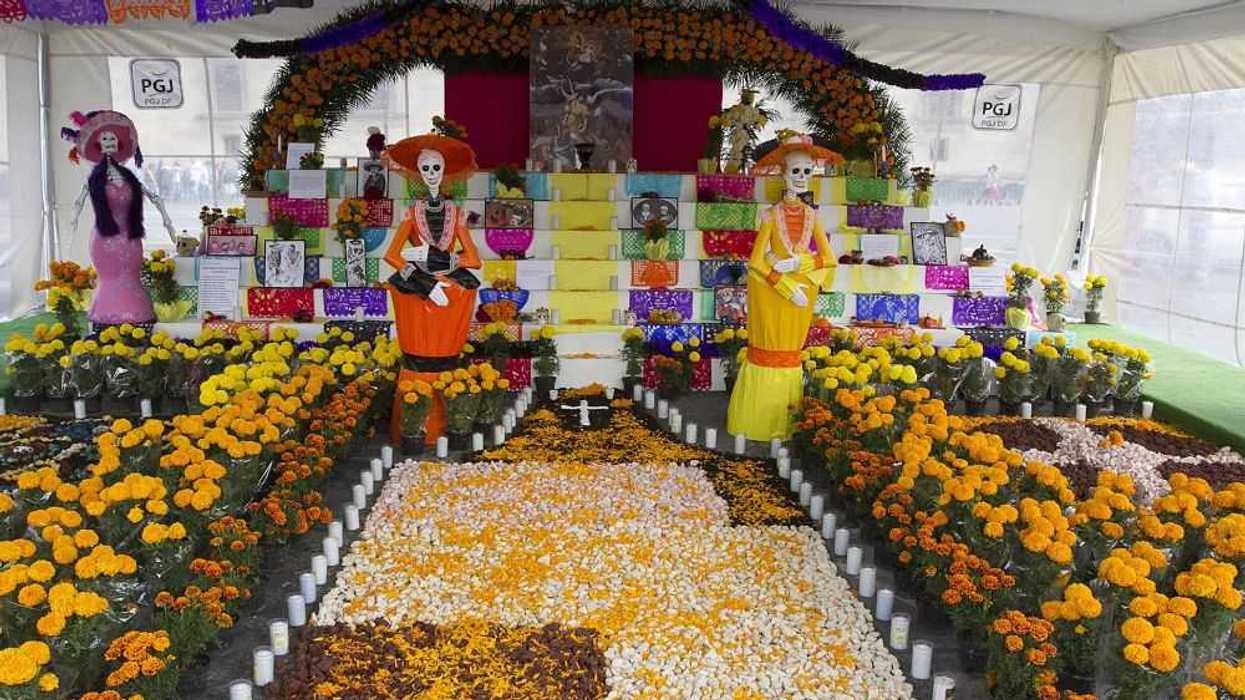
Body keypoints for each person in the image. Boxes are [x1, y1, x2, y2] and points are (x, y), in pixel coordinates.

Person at [727, 134, 841, 441]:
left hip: (802, 293)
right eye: (796, 171)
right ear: (783, 173)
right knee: (768, 347)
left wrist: (800, 264)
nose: (802, 177)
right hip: (775, 291)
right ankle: (759, 421)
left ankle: (784, 420)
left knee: (790, 350)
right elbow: (756, 262)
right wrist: (783, 283)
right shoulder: (769, 215)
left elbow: (829, 259)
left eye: (807, 171)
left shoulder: (813, 216)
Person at [383, 133, 482, 444]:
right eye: (425, 168)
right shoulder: (412, 213)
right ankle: (414, 423)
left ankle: (449, 418)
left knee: (455, 306)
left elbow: (474, 260)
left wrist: (436, 257)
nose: (431, 174)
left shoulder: (456, 214)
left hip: (450, 284)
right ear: (418, 172)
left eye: (436, 168)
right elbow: (392, 255)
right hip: (419, 284)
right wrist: (423, 280)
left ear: (444, 170)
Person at [62, 110, 176, 327]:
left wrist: (167, 221)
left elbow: (153, 196)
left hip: (130, 236)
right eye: (105, 138)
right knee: (110, 278)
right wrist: (72, 224)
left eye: (112, 138)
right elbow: (78, 202)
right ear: (97, 143)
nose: (109, 142)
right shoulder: (95, 179)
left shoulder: (129, 177)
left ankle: (135, 312)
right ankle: (107, 313)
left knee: (131, 276)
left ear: (119, 142)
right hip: (104, 237)